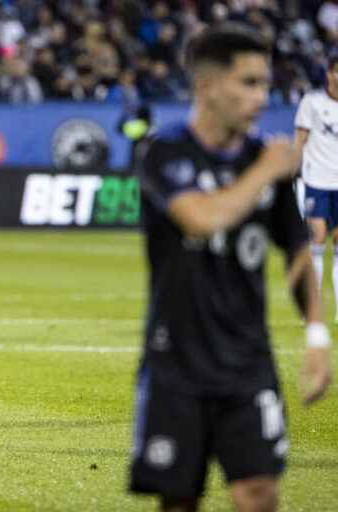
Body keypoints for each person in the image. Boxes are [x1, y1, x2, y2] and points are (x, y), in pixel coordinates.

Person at [131, 24, 331, 512]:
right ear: (207, 86)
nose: (262, 97)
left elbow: (298, 251)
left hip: (248, 361)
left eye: (265, 83)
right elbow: (198, 219)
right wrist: (267, 170)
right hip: (175, 361)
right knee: (179, 500)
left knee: (260, 492)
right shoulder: (164, 151)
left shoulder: (265, 158)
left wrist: (318, 335)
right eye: (249, 83)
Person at [294, 52, 338, 323]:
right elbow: (299, 139)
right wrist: (293, 169)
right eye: (336, 70)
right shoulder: (312, 102)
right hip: (317, 180)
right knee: (317, 238)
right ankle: (312, 307)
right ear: (328, 73)